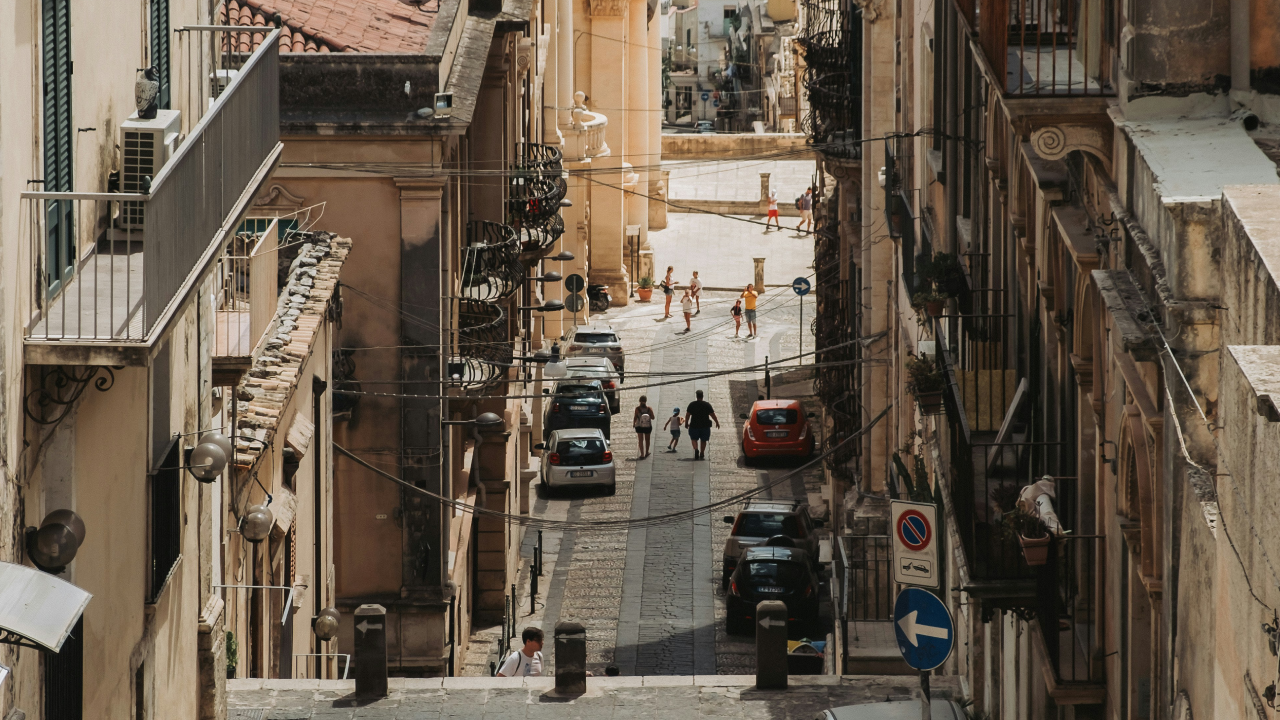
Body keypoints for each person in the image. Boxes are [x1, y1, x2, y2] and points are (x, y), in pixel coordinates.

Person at [684, 389, 720, 460]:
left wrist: (686, 423)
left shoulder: (692, 404)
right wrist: (717, 422)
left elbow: (687, 415)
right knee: (703, 440)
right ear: (702, 396)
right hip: (705, 426)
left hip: (694, 425)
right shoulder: (707, 405)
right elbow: (713, 415)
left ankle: (696, 449)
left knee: (694, 439)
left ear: (696, 396)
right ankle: (702, 453)